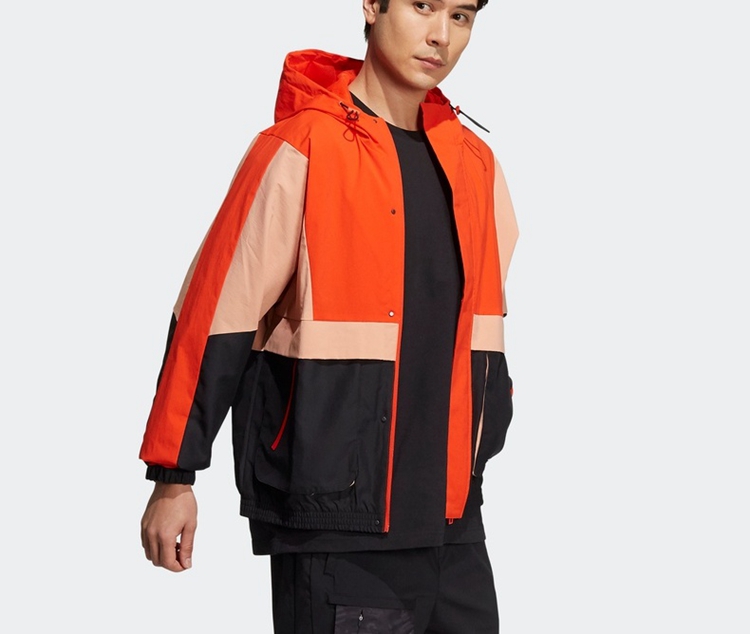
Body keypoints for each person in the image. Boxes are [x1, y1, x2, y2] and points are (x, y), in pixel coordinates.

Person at [139, 0, 519, 631]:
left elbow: (481, 336)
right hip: (335, 523)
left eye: (460, 16)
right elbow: (215, 311)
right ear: (371, 5)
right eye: (423, 6)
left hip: (454, 528)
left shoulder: (475, 167)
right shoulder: (301, 148)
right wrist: (174, 476)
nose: (440, 35)